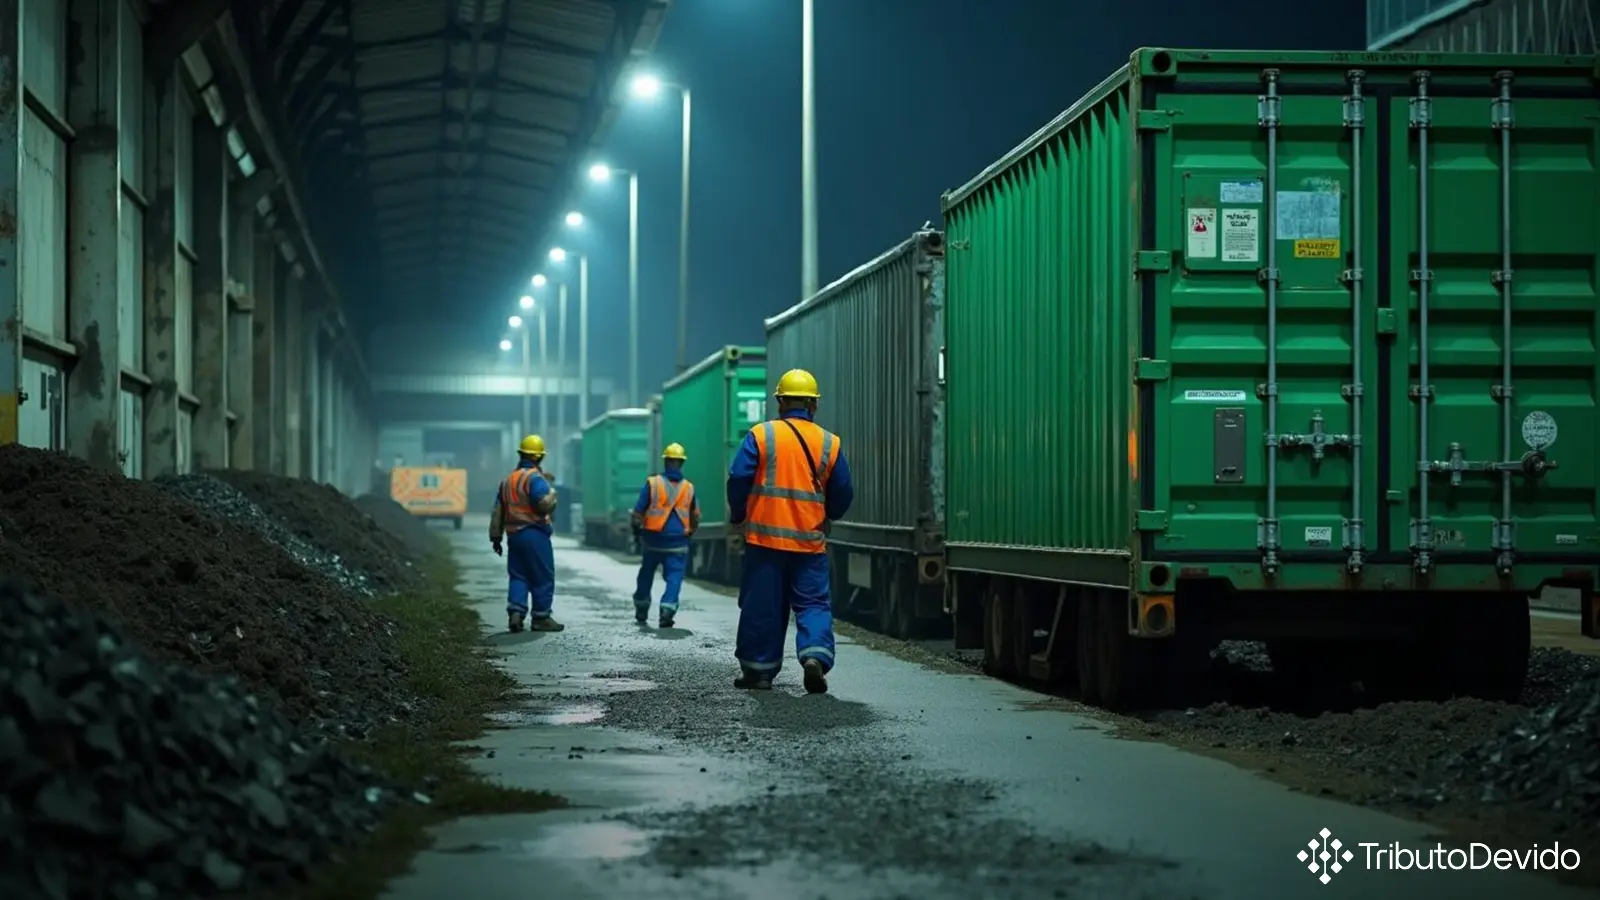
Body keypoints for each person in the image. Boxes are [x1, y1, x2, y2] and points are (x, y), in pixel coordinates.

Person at [726, 369, 854, 694]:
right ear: (814, 405)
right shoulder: (829, 442)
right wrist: (829, 515)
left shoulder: (761, 435)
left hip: (765, 541)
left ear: (781, 402)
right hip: (809, 543)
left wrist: (740, 513)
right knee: (813, 604)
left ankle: (758, 672)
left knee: (763, 606)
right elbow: (843, 491)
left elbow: (738, 477)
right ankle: (814, 657)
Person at [489, 434, 564, 634]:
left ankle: (516, 612)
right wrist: (553, 494)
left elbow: (498, 511)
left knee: (518, 575)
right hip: (534, 534)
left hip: (514, 536)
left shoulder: (508, 480)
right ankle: (541, 617)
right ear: (539, 457)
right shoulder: (535, 479)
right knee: (542, 575)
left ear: (521, 454)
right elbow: (543, 505)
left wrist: (496, 538)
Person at [630, 442, 701, 628]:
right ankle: (667, 610)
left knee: (646, 573)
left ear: (666, 461)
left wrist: (637, 533)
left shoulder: (653, 484)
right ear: (681, 463)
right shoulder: (689, 488)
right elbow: (695, 516)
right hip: (678, 541)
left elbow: (638, 512)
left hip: (653, 539)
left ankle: (641, 607)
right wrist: (689, 533)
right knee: (674, 577)